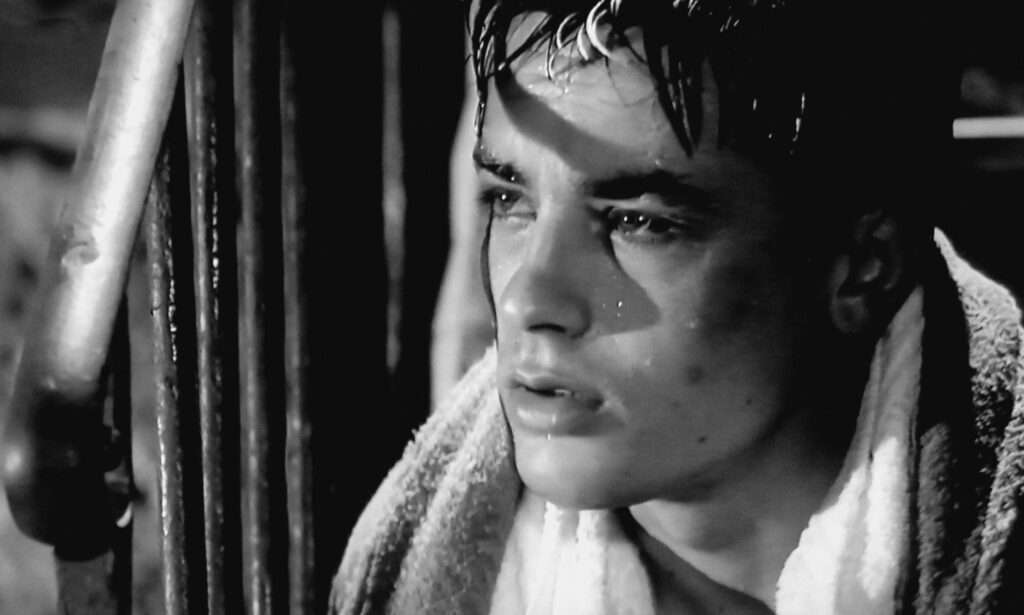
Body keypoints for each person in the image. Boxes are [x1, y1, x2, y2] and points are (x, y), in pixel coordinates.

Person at [331, 2, 1024, 613]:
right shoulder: (405, 567)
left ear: (864, 267)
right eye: (511, 200)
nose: (525, 300)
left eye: (639, 222)